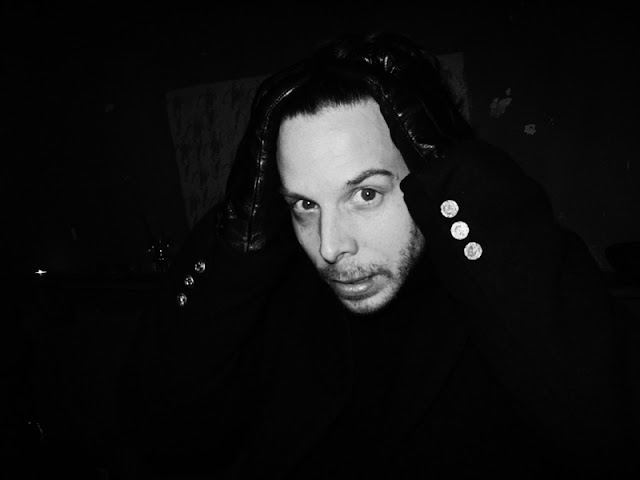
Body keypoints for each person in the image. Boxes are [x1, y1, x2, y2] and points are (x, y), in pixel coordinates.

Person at [116, 32, 638, 478]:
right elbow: (163, 433)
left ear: (428, 176)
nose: (329, 246)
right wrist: (236, 242)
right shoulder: (278, 306)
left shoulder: (499, 300)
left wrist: (461, 172)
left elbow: (605, 427)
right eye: (305, 204)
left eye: (365, 193)